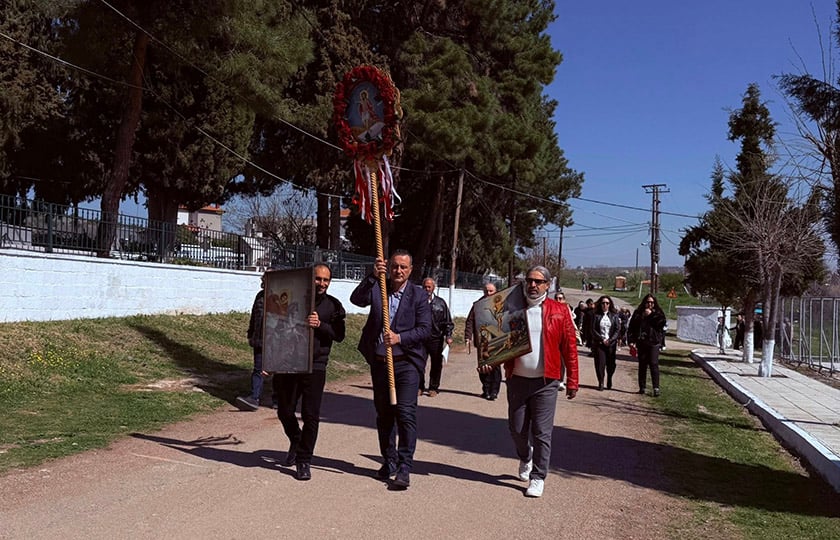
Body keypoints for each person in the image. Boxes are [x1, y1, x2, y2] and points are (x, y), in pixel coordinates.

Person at [479, 265, 579, 498]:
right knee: (516, 429)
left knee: (542, 432)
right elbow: (496, 340)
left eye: (538, 281)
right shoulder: (511, 309)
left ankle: (538, 477)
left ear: (547, 285)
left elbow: (570, 349)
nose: (532, 285)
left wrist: (572, 380)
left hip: (546, 383)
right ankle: (526, 456)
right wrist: (489, 360)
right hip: (518, 381)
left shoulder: (559, 311)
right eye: (529, 281)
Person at [350, 250, 431, 489]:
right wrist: (373, 277)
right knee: (384, 416)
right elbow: (357, 300)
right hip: (380, 363)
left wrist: (400, 338)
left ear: (410, 270)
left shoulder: (418, 295)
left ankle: (405, 467)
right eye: (394, 266)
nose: (398, 271)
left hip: (406, 364)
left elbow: (426, 329)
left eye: (403, 267)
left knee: (405, 413)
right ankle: (389, 461)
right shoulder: (379, 288)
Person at [273, 264, 346, 481]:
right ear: (309, 279)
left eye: (326, 280)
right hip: (290, 362)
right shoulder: (292, 299)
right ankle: (296, 439)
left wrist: (320, 324)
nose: (322, 284)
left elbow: (339, 335)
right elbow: (276, 327)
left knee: (310, 415)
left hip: (316, 365)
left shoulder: (333, 306)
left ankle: (303, 460)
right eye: (318, 279)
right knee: (284, 411)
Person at [465, 282, 501, 400]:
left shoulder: (500, 304)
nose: (488, 293)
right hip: (482, 342)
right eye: (486, 291)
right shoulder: (477, 305)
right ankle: (486, 390)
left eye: (491, 291)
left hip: (496, 341)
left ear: (495, 292)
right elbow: (470, 321)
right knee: (482, 367)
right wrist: (468, 337)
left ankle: (494, 391)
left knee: (495, 368)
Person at [235, 274, 266, 411]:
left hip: (276, 342)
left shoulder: (282, 296)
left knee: (278, 371)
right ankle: (254, 398)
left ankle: (278, 399)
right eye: (264, 277)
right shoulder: (260, 296)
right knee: (258, 369)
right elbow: (254, 316)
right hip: (259, 340)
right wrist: (250, 333)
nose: (263, 279)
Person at [419, 278, 454, 397]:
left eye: (429, 287)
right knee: (418, 363)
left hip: (436, 339)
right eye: (425, 287)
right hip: (420, 339)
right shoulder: (417, 302)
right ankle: (419, 386)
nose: (427, 289)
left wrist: (448, 335)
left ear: (433, 288)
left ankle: (433, 388)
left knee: (436, 365)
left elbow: (448, 322)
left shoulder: (441, 303)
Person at [628, 294, 667, 397]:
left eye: (652, 302)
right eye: (648, 302)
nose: (650, 304)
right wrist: (631, 341)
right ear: (644, 302)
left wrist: (650, 315)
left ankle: (656, 387)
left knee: (654, 364)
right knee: (642, 365)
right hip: (642, 342)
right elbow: (632, 327)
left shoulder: (658, 313)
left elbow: (661, 323)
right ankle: (642, 387)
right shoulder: (638, 313)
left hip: (654, 342)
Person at [590, 295, 621, 391]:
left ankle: (609, 378)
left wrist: (611, 340)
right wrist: (601, 339)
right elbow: (593, 329)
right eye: (603, 303)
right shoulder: (596, 315)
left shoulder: (614, 316)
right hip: (600, 344)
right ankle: (601, 382)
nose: (605, 305)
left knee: (611, 364)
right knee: (600, 364)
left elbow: (617, 329)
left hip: (611, 344)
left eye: (607, 303)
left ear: (610, 304)